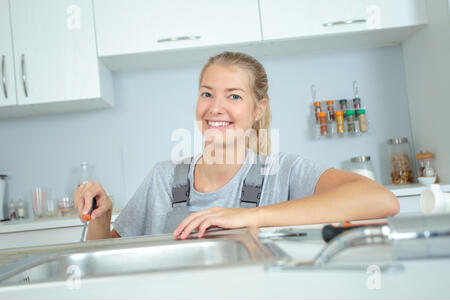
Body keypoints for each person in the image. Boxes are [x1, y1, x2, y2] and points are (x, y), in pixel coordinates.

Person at [74, 51, 399, 241]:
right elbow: (106, 263)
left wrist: (249, 217)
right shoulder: (163, 178)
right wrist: (101, 218)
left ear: (258, 109)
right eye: (206, 93)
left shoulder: (283, 173)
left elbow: (379, 199)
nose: (215, 107)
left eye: (234, 96)